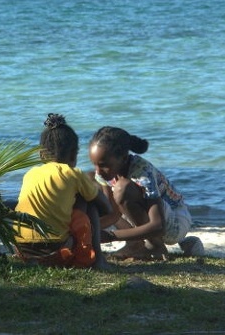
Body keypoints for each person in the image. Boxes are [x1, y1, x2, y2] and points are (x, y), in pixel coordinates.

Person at [88, 126, 204, 260]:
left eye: (103, 165)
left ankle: (155, 247)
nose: (99, 171)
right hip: (150, 220)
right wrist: (89, 232)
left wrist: (111, 236)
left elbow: (158, 225)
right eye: (95, 164)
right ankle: (135, 243)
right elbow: (113, 214)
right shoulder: (102, 174)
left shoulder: (142, 172)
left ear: (124, 158)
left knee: (122, 189)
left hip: (174, 222)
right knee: (89, 182)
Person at [14, 113, 112, 269]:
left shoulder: (30, 174)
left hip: (23, 252)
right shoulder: (73, 173)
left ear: (41, 154)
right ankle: (98, 261)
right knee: (88, 203)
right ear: (74, 154)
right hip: (57, 253)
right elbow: (106, 208)